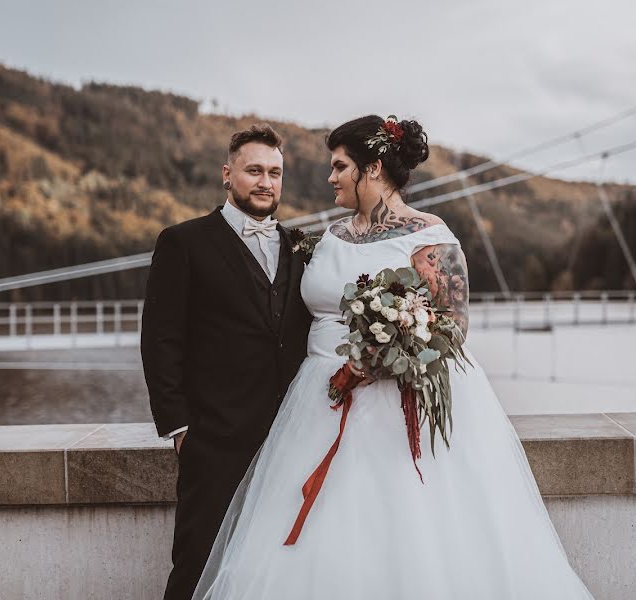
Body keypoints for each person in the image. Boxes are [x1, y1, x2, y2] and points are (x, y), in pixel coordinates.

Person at [191, 115, 595, 599]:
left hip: (399, 410)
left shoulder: (430, 237)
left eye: (340, 166)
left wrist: (379, 359)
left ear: (374, 168)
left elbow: (452, 331)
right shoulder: (330, 237)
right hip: (315, 405)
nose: (330, 177)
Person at [141, 123, 312, 600]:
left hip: (293, 438)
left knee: (278, 569)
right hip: (215, 441)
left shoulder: (302, 246)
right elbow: (160, 340)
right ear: (227, 174)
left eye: (274, 172)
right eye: (253, 170)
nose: (265, 182)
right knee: (197, 565)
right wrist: (180, 431)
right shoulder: (183, 242)